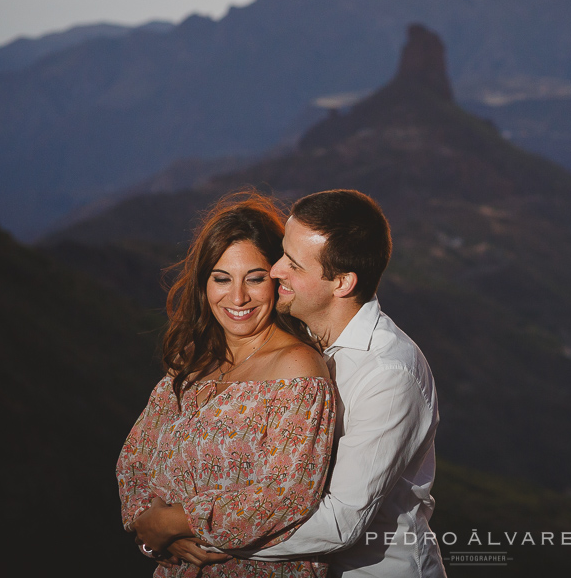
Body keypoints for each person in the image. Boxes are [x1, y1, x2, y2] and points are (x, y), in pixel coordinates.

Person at [182, 189, 446, 577]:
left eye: (294, 265)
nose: (275, 271)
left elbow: (340, 522)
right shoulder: (294, 339)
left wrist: (197, 536)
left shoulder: (389, 375)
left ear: (342, 283)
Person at [116, 192, 336, 577]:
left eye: (255, 278)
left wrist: (176, 522)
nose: (237, 297)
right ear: (203, 284)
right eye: (221, 278)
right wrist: (151, 531)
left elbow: (287, 497)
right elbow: (134, 461)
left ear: (278, 282)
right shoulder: (193, 362)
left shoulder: (298, 369)